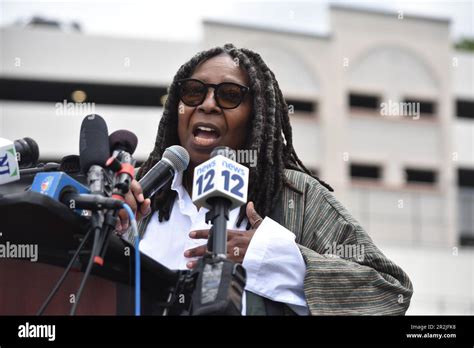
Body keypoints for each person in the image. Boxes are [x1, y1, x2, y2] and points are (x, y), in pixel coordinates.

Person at [118, 43, 413, 315]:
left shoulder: (296, 197)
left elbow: (389, 293)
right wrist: (111, 229)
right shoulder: (142, 195)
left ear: (256, 114)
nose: (208, 104)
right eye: (194, 91)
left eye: (229, 95)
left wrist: (271, 258)